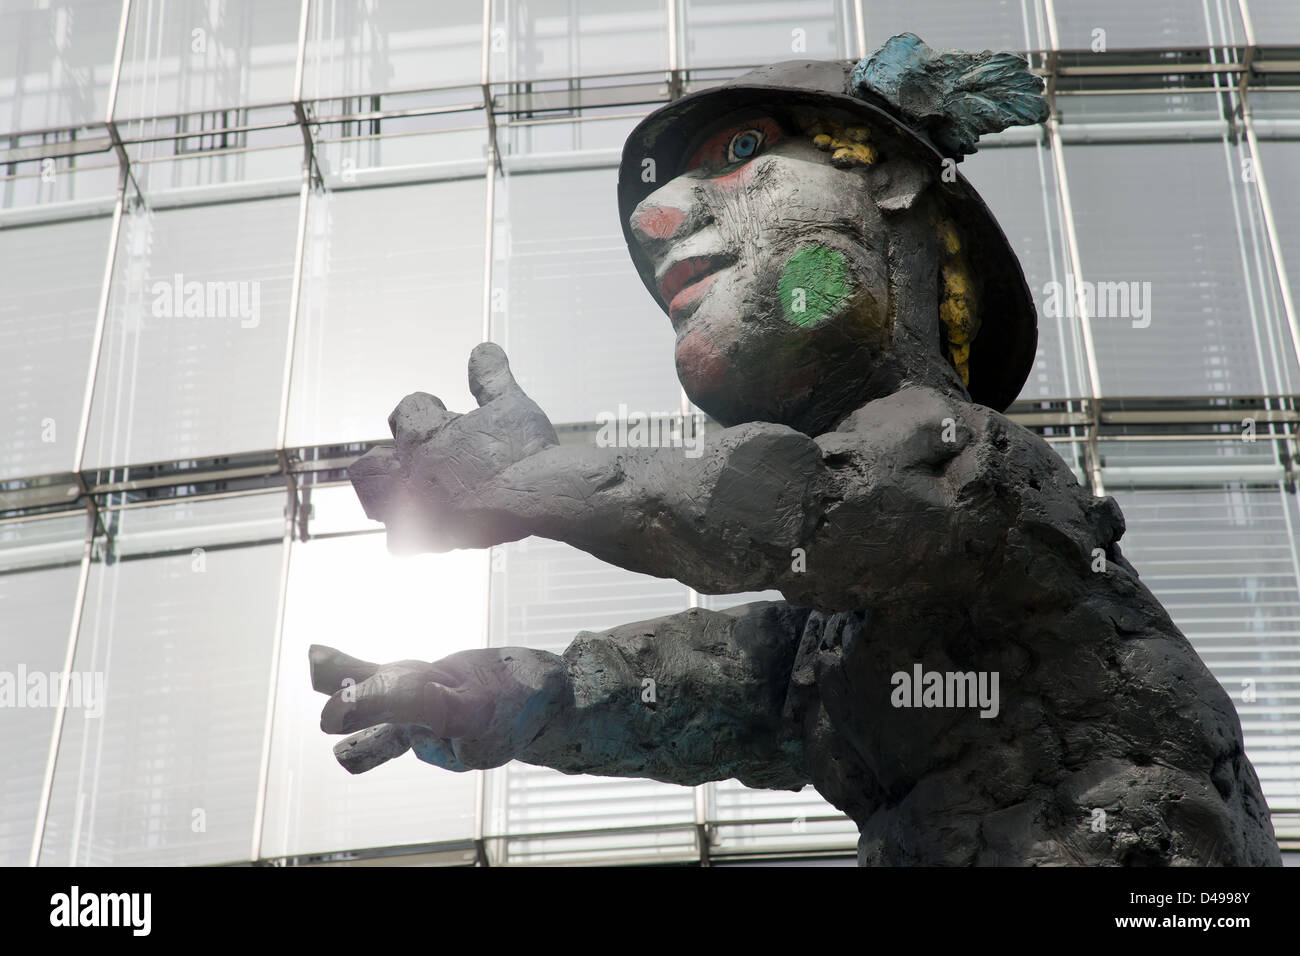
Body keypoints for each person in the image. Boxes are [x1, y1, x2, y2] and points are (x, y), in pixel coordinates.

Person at [310, 35, 1280, 865]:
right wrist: (474, 699)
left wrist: (520, 483)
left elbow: (793, 509)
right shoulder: (829, 640)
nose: (658, 223)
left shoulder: (972, 467)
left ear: (890, 174)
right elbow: (661, 690)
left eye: (740, 153)